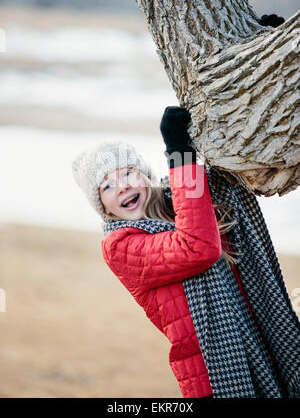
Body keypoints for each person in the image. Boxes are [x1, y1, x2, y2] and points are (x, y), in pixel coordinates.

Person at [72, 105, 300, 399]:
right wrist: (179, 154)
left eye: (128, 172)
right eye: (106, 186)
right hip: (216, 378)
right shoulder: (120, 246)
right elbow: (198, 246)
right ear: (103, 208)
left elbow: (224, 181)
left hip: (263, 343)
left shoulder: (178, 202)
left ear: (144, 175)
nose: (122, 186)